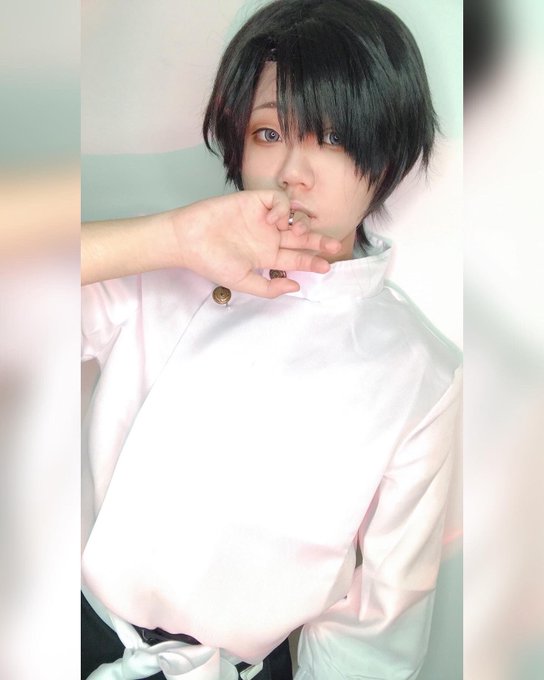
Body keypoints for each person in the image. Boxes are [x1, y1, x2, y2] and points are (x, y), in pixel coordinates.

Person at [81, 1, 462, 679]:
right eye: (268, 132)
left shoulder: (419, 370)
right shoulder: (158, 268)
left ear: (388, 152)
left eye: (333, 136)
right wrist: (170, 238)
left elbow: (376, 625)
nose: (293, 171)